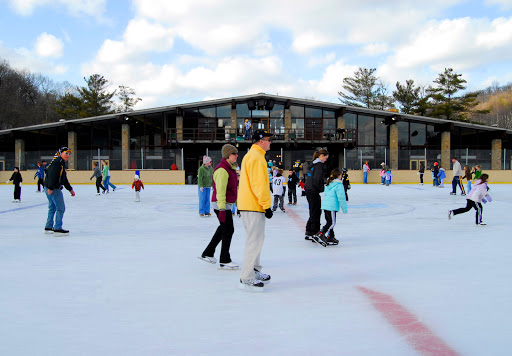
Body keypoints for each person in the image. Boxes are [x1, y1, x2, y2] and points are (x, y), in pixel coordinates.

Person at [237, 129, 273, 291]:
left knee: (257, 239)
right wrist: (266, 205)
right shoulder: (257, 158)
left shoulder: (251, 156)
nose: (270, 142)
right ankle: (247, 276)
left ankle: (255, 269)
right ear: (261, 141)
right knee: (254, 240)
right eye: (268, 139)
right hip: (253, 205)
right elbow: (259, 184)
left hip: (249, 204)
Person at [199, 144, 240, 270]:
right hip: (221, 204)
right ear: (228, 156)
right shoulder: (222, 170)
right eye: (234, 154)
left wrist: (238, 205)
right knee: (228, 230)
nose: (236, 156)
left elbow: (234, 189)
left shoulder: (230, 168)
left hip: (225, 204)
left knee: (223, 229)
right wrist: (222, 209)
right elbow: (220, 191)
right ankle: (224, 259)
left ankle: (208, 253)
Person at [312, 168, 348, 247]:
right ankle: (320, 234)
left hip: (326, 205)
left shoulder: (329, 183)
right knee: (332, 223)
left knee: (329, 221)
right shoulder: (338, 185)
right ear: (339, 176)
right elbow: (341, 197)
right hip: (331, 206)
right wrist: (344, 209)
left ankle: (330, 237)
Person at [44, 147, 75, 235]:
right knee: (61, 208)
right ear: (61, 153)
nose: (68, 155)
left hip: (50, 187)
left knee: (52, 207)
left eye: (69, 154)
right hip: (53, 188)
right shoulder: (58, 163)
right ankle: (57, 228)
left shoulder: (60, 162)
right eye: (66, 153)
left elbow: (63, 178)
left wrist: (70, 189)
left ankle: (48, 227)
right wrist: (51, 188)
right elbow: (51, 175)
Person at [304, 148, 329, 241]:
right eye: (325, 158)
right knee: (316, 211)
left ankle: (309, 231)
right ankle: (315, 232)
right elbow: (317, 179)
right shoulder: (318, 165)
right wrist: (320, 188)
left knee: (313, 210)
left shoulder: (313, 163)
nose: (325, 160)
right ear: (321, 156)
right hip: (313, 190)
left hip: (309, 189)